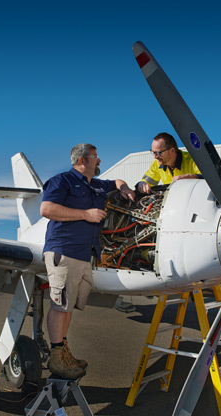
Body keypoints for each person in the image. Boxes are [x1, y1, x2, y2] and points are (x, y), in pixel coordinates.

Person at [41, 143, 135, 379]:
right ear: (82, 160)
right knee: (60, 305)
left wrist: (124, 188)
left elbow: (116, 182)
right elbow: (46, 208)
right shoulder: (62, 181)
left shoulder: (95, 185)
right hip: (64, 250)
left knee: (69, 306)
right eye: (95, 157)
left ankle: (64, 352)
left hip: (84, 253)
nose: (99, 160)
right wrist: (86, 214)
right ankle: (56, 358)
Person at [134, 132, 202, 194]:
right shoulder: (157, 164)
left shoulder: (193, 160)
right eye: (153, 152)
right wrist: (141, 184)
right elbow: (147, 181)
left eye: (158, 153)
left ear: (172, 150)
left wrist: (192, 177)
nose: (155, 157)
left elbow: (209, 179)